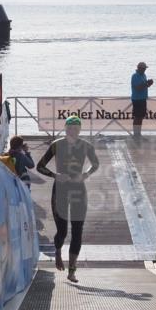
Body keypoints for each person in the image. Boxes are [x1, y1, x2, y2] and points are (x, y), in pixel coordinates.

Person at [35, 116, 99, 283]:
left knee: (78, 230)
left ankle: (72, 270)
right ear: (65, 128)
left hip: (78, 190)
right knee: (62, 231)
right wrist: (55, 175)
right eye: (70, 128)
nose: (73, 131)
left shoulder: (86, 146)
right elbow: (39, 166)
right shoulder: (56, 145)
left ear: (80, 129)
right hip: (60, 190)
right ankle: (58, 251)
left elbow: (95, 164)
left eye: (76, 128)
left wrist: (85, 174)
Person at [130, 62, 154, 138]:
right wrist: (146, 83)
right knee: (137, 117)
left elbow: (144, 86)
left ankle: (138, 133)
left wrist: (149, 84)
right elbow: (137, 88)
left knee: (141, 117)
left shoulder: (144, 75)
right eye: (143, 69)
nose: (144, 70)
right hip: (137, 99)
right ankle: (136, 134)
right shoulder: (135, 76)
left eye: (145, 69)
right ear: (139, 68)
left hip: (143, 98)